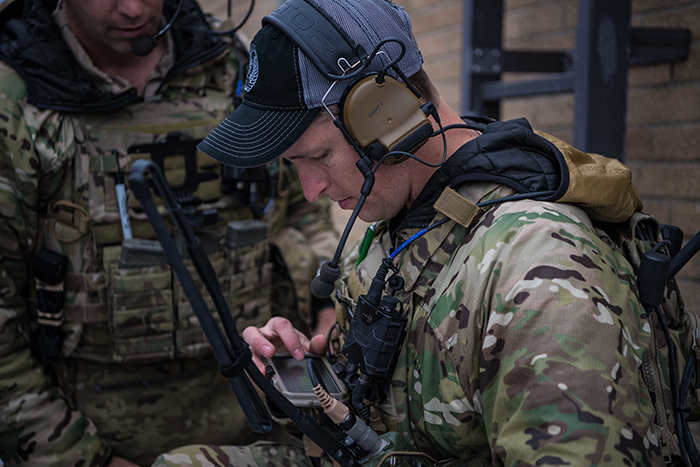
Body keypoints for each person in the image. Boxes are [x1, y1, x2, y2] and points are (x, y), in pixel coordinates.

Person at [152, 0, 698, 466]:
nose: (311, 189)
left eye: (317, 156)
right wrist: (310, 385)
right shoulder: (408, 222)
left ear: (383, 116)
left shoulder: (542, 276)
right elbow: (379, 419)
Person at [0, 0, 339, 466]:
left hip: (270, 427)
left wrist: (326, 306)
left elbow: (302, 205)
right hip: (100, 440)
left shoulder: (234, 64)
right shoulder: (14, 99)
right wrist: (81, 458)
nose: (134, 8)